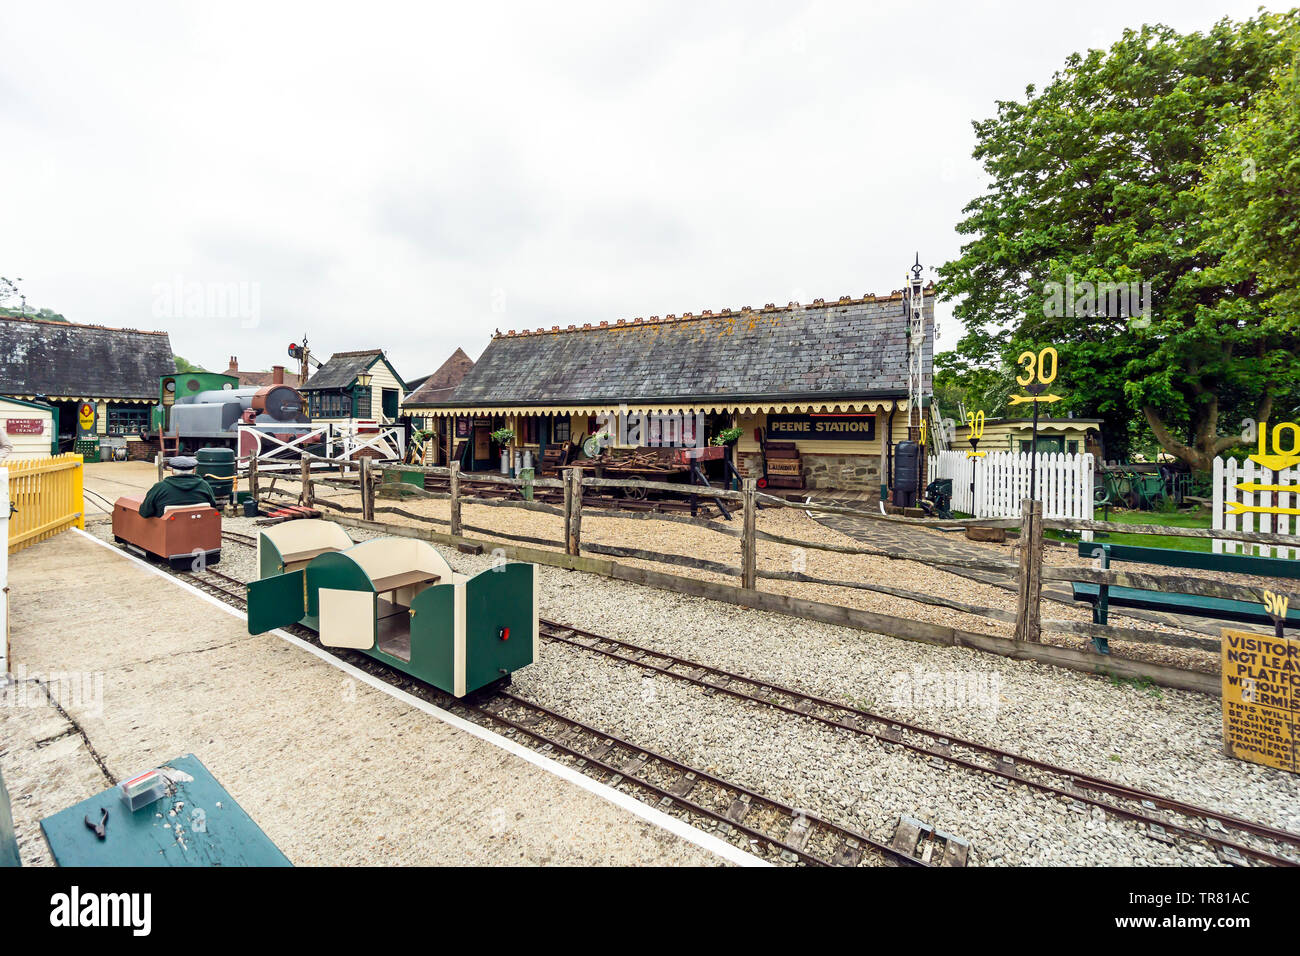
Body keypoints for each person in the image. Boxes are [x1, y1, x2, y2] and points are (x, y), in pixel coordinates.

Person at [138, 456, 218, 518]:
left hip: (168, 531)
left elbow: (144, 512)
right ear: (194, 471)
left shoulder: (160, 487)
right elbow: (212, 507)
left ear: (172, 471)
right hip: (198, 527)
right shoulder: (204, 485)